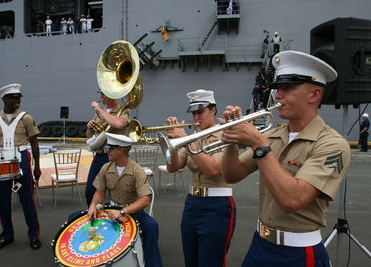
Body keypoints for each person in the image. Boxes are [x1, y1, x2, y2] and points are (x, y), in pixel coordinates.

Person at [221, 50, 351, 266]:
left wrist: (259, 145)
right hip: (259, 245)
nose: (278, 95)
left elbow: (292, 200)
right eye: (277, 88)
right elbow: (231, 175)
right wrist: (230, 141)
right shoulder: (272, 135)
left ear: (314, 94)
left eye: (288, 88)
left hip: (298, 253)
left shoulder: (333, 145)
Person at [164, 89, 236, 267]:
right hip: (193, 203)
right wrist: (172, 145)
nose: (196, 117)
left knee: (211, 261)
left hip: (217, 205)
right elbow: (173, 167)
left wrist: (186, 139)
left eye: (200, 112)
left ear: (213, 110)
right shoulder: (193, 136)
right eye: (194, 113)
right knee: (191, 259)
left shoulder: (224, 133)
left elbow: (213, 169)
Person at [87, 133, 163, 267]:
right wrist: (93, 205)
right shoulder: (106, 167)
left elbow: (145, 200)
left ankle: (153, 263)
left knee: (152, 226)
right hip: (110, 209)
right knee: (75, 217)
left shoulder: (137, 170)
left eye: (110, 148)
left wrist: (122, 212)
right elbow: (99, 191)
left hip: (132, 211)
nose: (106, 151)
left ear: (120, 150)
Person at [0, 84, 41, 251]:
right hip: (1, 160)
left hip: (22, 159)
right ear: (4, 99)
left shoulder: (26, 118)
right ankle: (7, 235)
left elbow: (35, 143)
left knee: (27, 201)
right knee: (2, 201)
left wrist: (37, 167)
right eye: (14, 98)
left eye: (19, 98)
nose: (18, 101)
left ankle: (34, 235)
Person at [85, 91, 129, 207]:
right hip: (100, 155)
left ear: (112, 95)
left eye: (103, 94)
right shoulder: (101, 112)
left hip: (116, 156)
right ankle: (94, 215)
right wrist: (90, 127)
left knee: (120, 192)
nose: (101, 97)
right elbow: (89, 136)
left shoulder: (123, 110)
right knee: (90, 190)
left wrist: (99, 110)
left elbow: (119, 124)